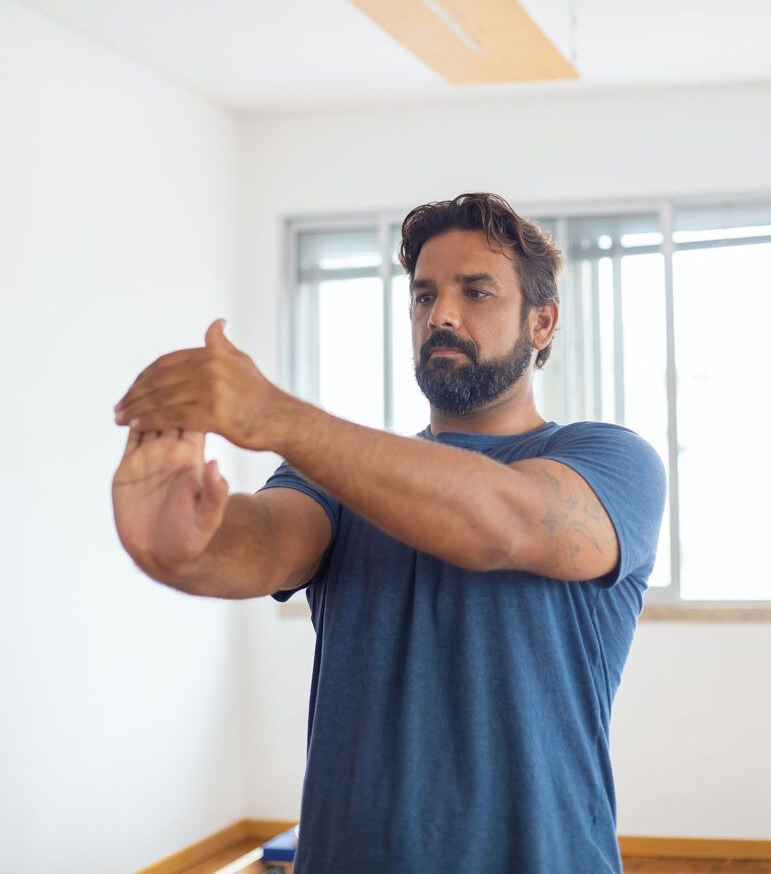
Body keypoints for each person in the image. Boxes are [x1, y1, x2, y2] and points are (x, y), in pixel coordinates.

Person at [113, 192, 665, 874]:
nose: (442, 315)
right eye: (423, 295)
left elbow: (501, 524)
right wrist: (180, 545)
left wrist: (277, 415)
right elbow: (264, 545)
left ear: (541, 322)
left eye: (476, 292)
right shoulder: (337, 475)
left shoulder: (611, 460)